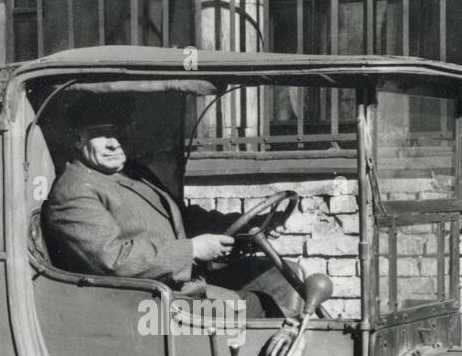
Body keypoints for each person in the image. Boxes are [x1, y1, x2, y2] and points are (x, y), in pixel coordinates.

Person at [42, 119, 302, 318]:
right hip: (145, 304)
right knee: (263, 306)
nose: (114, 143)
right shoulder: (75, 190)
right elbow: (111, 259)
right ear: (77, 140)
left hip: (181, 285)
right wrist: (192, 250)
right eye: (101, 134)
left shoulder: (133, 173)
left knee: (286, 275)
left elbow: (183, 218)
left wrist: (250, 224)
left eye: (118, 133)